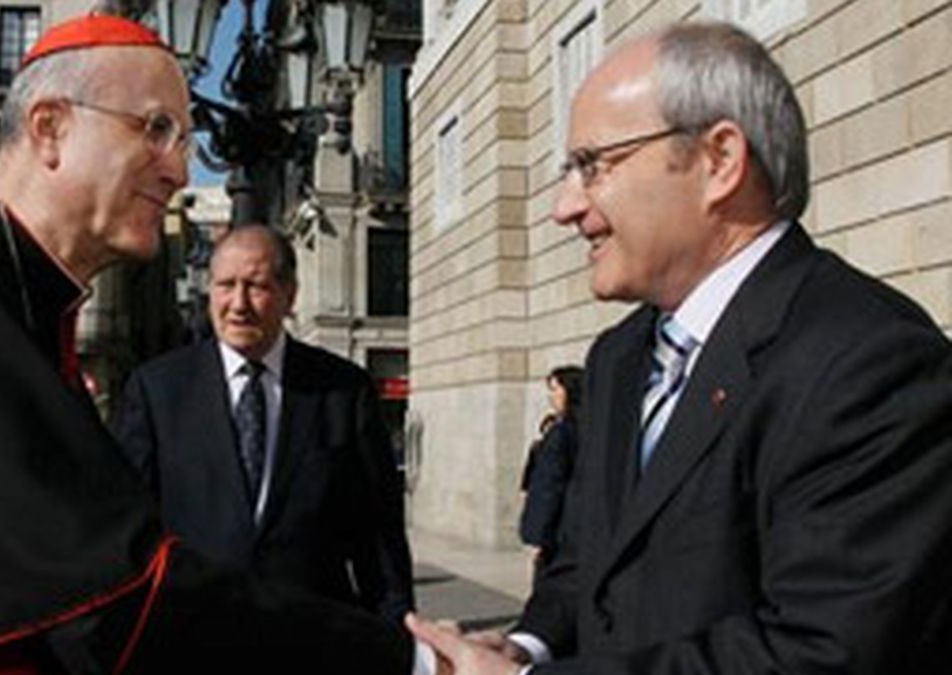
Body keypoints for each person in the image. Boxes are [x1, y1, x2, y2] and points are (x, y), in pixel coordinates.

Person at [0, 13, 414, 673]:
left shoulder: (13, 295)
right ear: (50, 128)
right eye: (155, 129)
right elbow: (114, 597)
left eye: (184, 138)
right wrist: (408, 661)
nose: (180, 169)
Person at [407, 20, 952, 675]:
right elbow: (587, 568)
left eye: (592, 164)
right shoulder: (619, 356)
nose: (564, 207)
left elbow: (825, 649)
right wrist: (524, 644)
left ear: (719, 159)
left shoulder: (871, 360)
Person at [113, 224, 415, 625]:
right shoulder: (157, 390)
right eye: (225, 285)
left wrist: (396, 636)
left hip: (313, 634)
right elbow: (128, 523)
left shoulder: (342, 390)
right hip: (192, 633)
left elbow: (376, 533)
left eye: (255, 286)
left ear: (290, 294)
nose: (238, 304)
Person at [517, 365, 582, 572]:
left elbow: (549, 487)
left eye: (555, 389)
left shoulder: (560, 434)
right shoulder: (593, 429)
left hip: (560, 534)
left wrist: (538, 536)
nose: (551, 397)